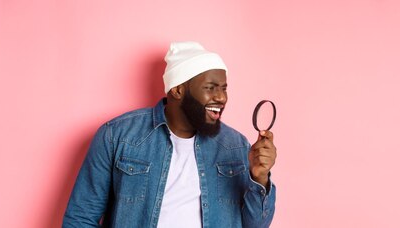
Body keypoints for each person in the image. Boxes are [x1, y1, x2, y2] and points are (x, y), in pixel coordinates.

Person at [63, 41, 277, 227]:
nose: (221, 97)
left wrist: (259, 177)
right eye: (211, 88)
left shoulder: (236, 145)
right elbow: (80, 218)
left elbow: (256, 225)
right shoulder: (116, 135)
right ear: (177, 90)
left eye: (224, 88)